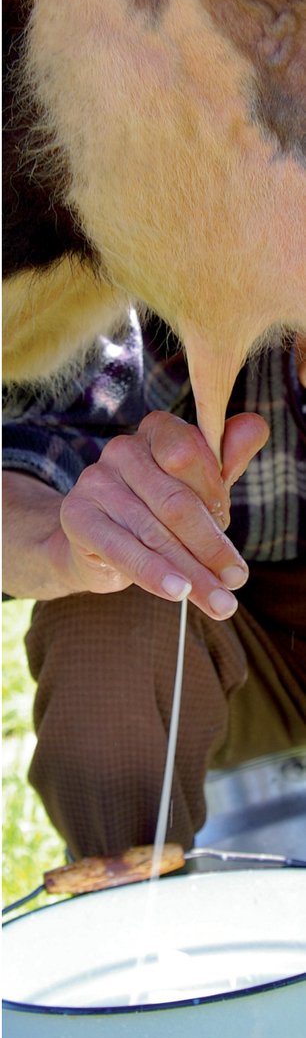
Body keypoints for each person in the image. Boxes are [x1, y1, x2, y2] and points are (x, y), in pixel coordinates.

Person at [3, 311, 306, 860]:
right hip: (235, 637)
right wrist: (67, 541)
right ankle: (136, 919)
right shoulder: (146, 254)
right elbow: (23, 445)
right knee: (104, 618)